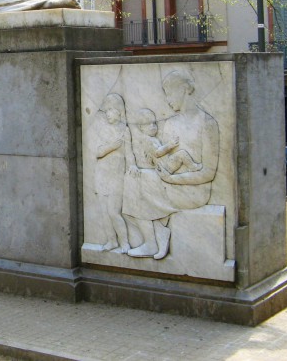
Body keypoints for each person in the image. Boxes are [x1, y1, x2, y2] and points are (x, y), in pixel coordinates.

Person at [121, 70, 220, 260]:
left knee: (138, 185)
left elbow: (208, 172)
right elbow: (163, 161)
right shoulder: (170, 124)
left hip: (192, 189)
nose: (167, 99)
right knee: (134, 180)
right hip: (166, 181)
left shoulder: (207, 122)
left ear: (184, 89)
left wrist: (172, 178)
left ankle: (154, 238)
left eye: (169, 92)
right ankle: (156, 236)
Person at [93, 93, 134, 253]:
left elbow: (130, 152)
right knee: (104, 212)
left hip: (117, 175)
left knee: (113, 212)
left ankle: (125, 243)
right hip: (102, 174)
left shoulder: (125, 130)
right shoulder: (103, 129)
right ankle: (112, 241)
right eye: (106, 111)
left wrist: (132, 167)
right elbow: (97, 152)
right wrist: (112, 146)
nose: (108, 114)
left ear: (119, 111)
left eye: (111, 110)